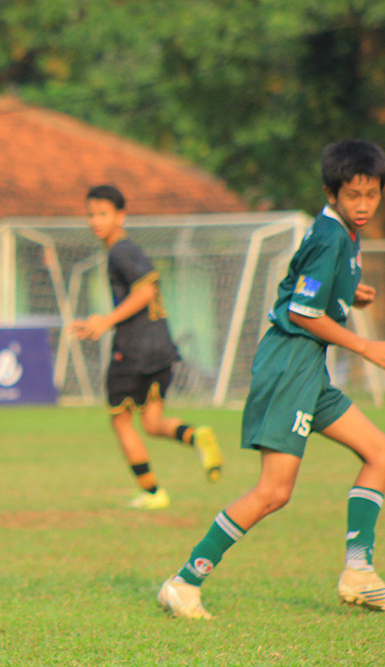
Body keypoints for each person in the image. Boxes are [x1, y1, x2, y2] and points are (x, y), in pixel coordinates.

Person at [157, 138, 385, 620]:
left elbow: (305, 289)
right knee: (274, 492)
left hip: (308, 370)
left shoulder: (344, 233)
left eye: (372, 194)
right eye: (353, 195)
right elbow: (301, 312)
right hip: (289, 366)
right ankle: (184, 582)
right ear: (331, 193)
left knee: (380, 454)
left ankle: (359, 572)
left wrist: (349, 294)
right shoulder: (330, 236)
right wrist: (366, 346)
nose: (364, 205)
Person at [70, 184, 223, 509]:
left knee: (121, 421)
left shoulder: (121, 251)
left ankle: (153, 493)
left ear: (121, 216)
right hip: (161, 347)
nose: (95, 221)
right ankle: (196, 435)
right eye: (91, 215)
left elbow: (145, 292)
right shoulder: (128, 250)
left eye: (102, 214)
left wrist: (106, 321)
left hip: (133, 349)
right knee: (152, 422)